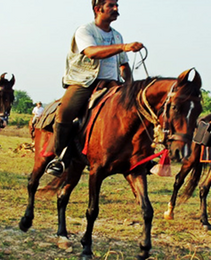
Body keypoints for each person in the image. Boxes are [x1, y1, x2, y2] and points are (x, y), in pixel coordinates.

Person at [45, 0, 144, 177]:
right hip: (86, 82)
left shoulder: (117, 35)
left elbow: (123, 64)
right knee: (65, 112)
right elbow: (91, 52)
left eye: (117, 5)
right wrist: (124, 47)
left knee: (138, 112)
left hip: (113, 84)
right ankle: (59, 157)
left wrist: (130, 86)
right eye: (111, 6)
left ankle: (139, 155)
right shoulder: (85, 31)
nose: (116, 9)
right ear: (98, 9)